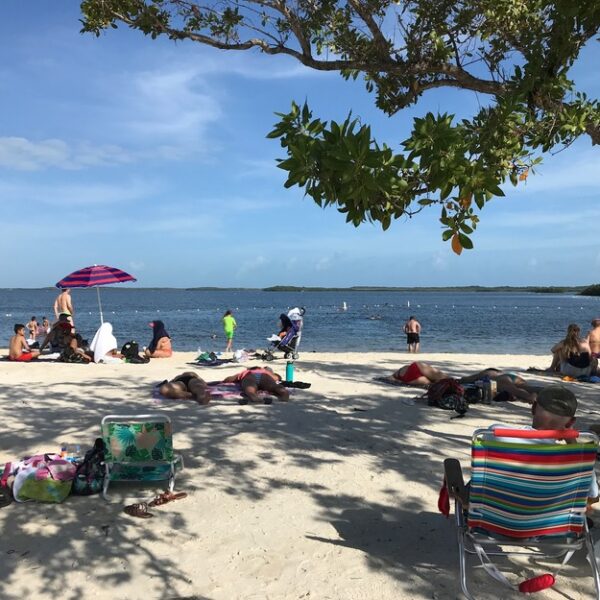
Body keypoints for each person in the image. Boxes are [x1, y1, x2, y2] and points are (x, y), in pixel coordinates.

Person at [460, 368, 540, 403]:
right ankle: (546, 391)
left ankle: (530, 396)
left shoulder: (484, 374)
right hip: (514, 377)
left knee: (517, 391)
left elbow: (464, 379)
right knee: (527, 388)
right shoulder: (498, 373)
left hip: (502, 379)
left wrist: (460, 380)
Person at [223, 366, 290, 404]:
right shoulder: (265, 371)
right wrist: (275, 375)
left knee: (249, 389)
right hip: (264, 376)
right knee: (275, 387)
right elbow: (277, 378)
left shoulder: (246, 372)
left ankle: (254, 397)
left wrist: (225, 380)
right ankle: (284, 394)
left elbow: (229, 379)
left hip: (250, 376)